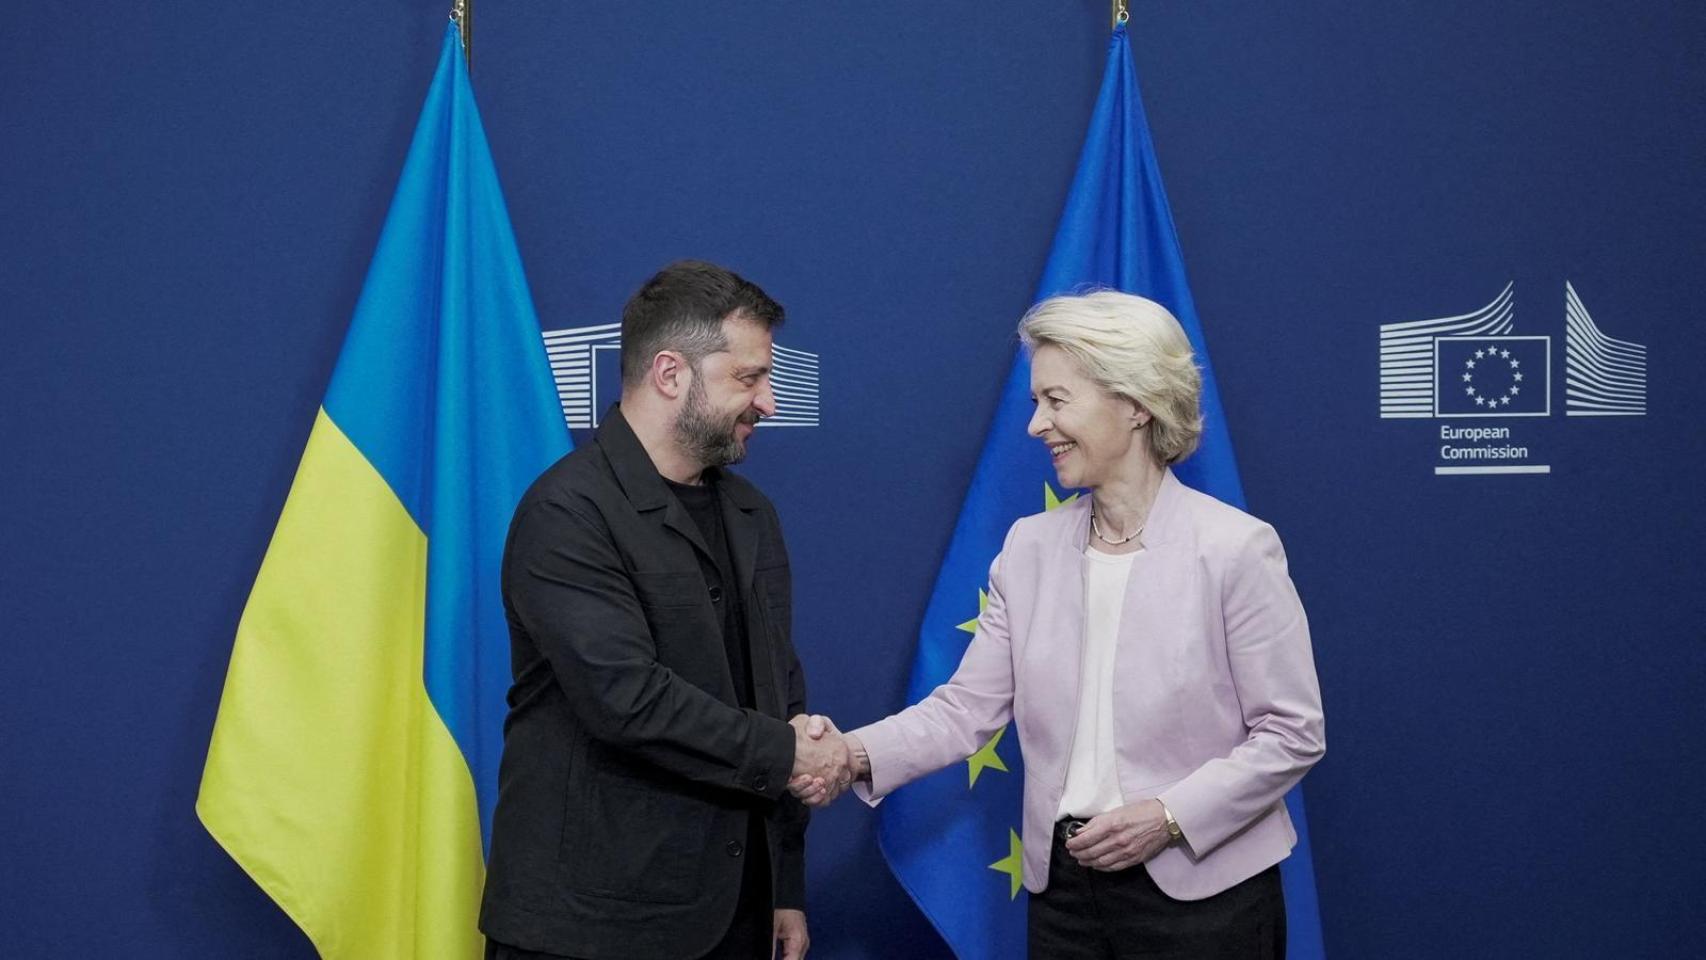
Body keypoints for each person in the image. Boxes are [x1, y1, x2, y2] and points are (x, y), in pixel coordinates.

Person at [805, 290, 1325, 958]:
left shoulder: (1235, 549)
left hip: (1207, 893)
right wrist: (850, 755)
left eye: (1057, 400)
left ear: (1135, 403)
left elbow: (1292, 732)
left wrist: (1169, 818)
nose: (1036, 425)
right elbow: (965, 710)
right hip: (1066, 895)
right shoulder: (1029, 547)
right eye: (1036, 403)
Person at [480, 261, 854, 960]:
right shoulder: (567, 511)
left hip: (734, 914)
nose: (768, 401)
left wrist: (785, 884)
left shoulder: (751, 514)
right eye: (748, 378)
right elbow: (625, 699)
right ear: (671, 374)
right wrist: (788, 752)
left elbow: (780, 694)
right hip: (590, 927)